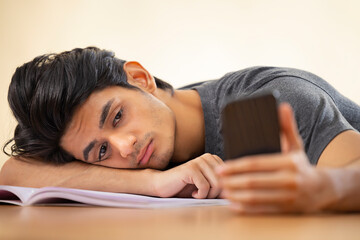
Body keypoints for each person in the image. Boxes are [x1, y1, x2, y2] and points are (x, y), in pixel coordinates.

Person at [1, 47, 360, 213]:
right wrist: (152, 183)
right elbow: (14, 171)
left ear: (140, 79)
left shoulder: (272, 101)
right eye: (101, 152)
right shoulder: (143, 160)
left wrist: (320, 187)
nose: (124, 147)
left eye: (116, 117)